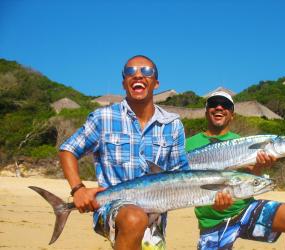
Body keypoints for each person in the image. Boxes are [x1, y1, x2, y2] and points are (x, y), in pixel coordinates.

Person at [59, 55, 189, 250]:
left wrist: (216, 199)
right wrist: (78, 189)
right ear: (124, 83)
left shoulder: (173, 124)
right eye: (130, 72)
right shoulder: (103, 118)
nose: (138, 76)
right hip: (112, 208)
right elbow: (68, 150)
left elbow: (181, 173)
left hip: (155, 217)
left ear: (156, 83)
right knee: (134, 218)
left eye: (146, 71)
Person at [186, 91, 285, 250]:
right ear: (206, 112)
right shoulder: (187, 145)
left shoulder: (241, 141)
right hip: (213, 221)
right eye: (213, 103)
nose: (219, 107)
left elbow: (251, 178)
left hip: (245, 210)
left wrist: (259, 166)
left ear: (232, 115)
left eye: (226, 105)